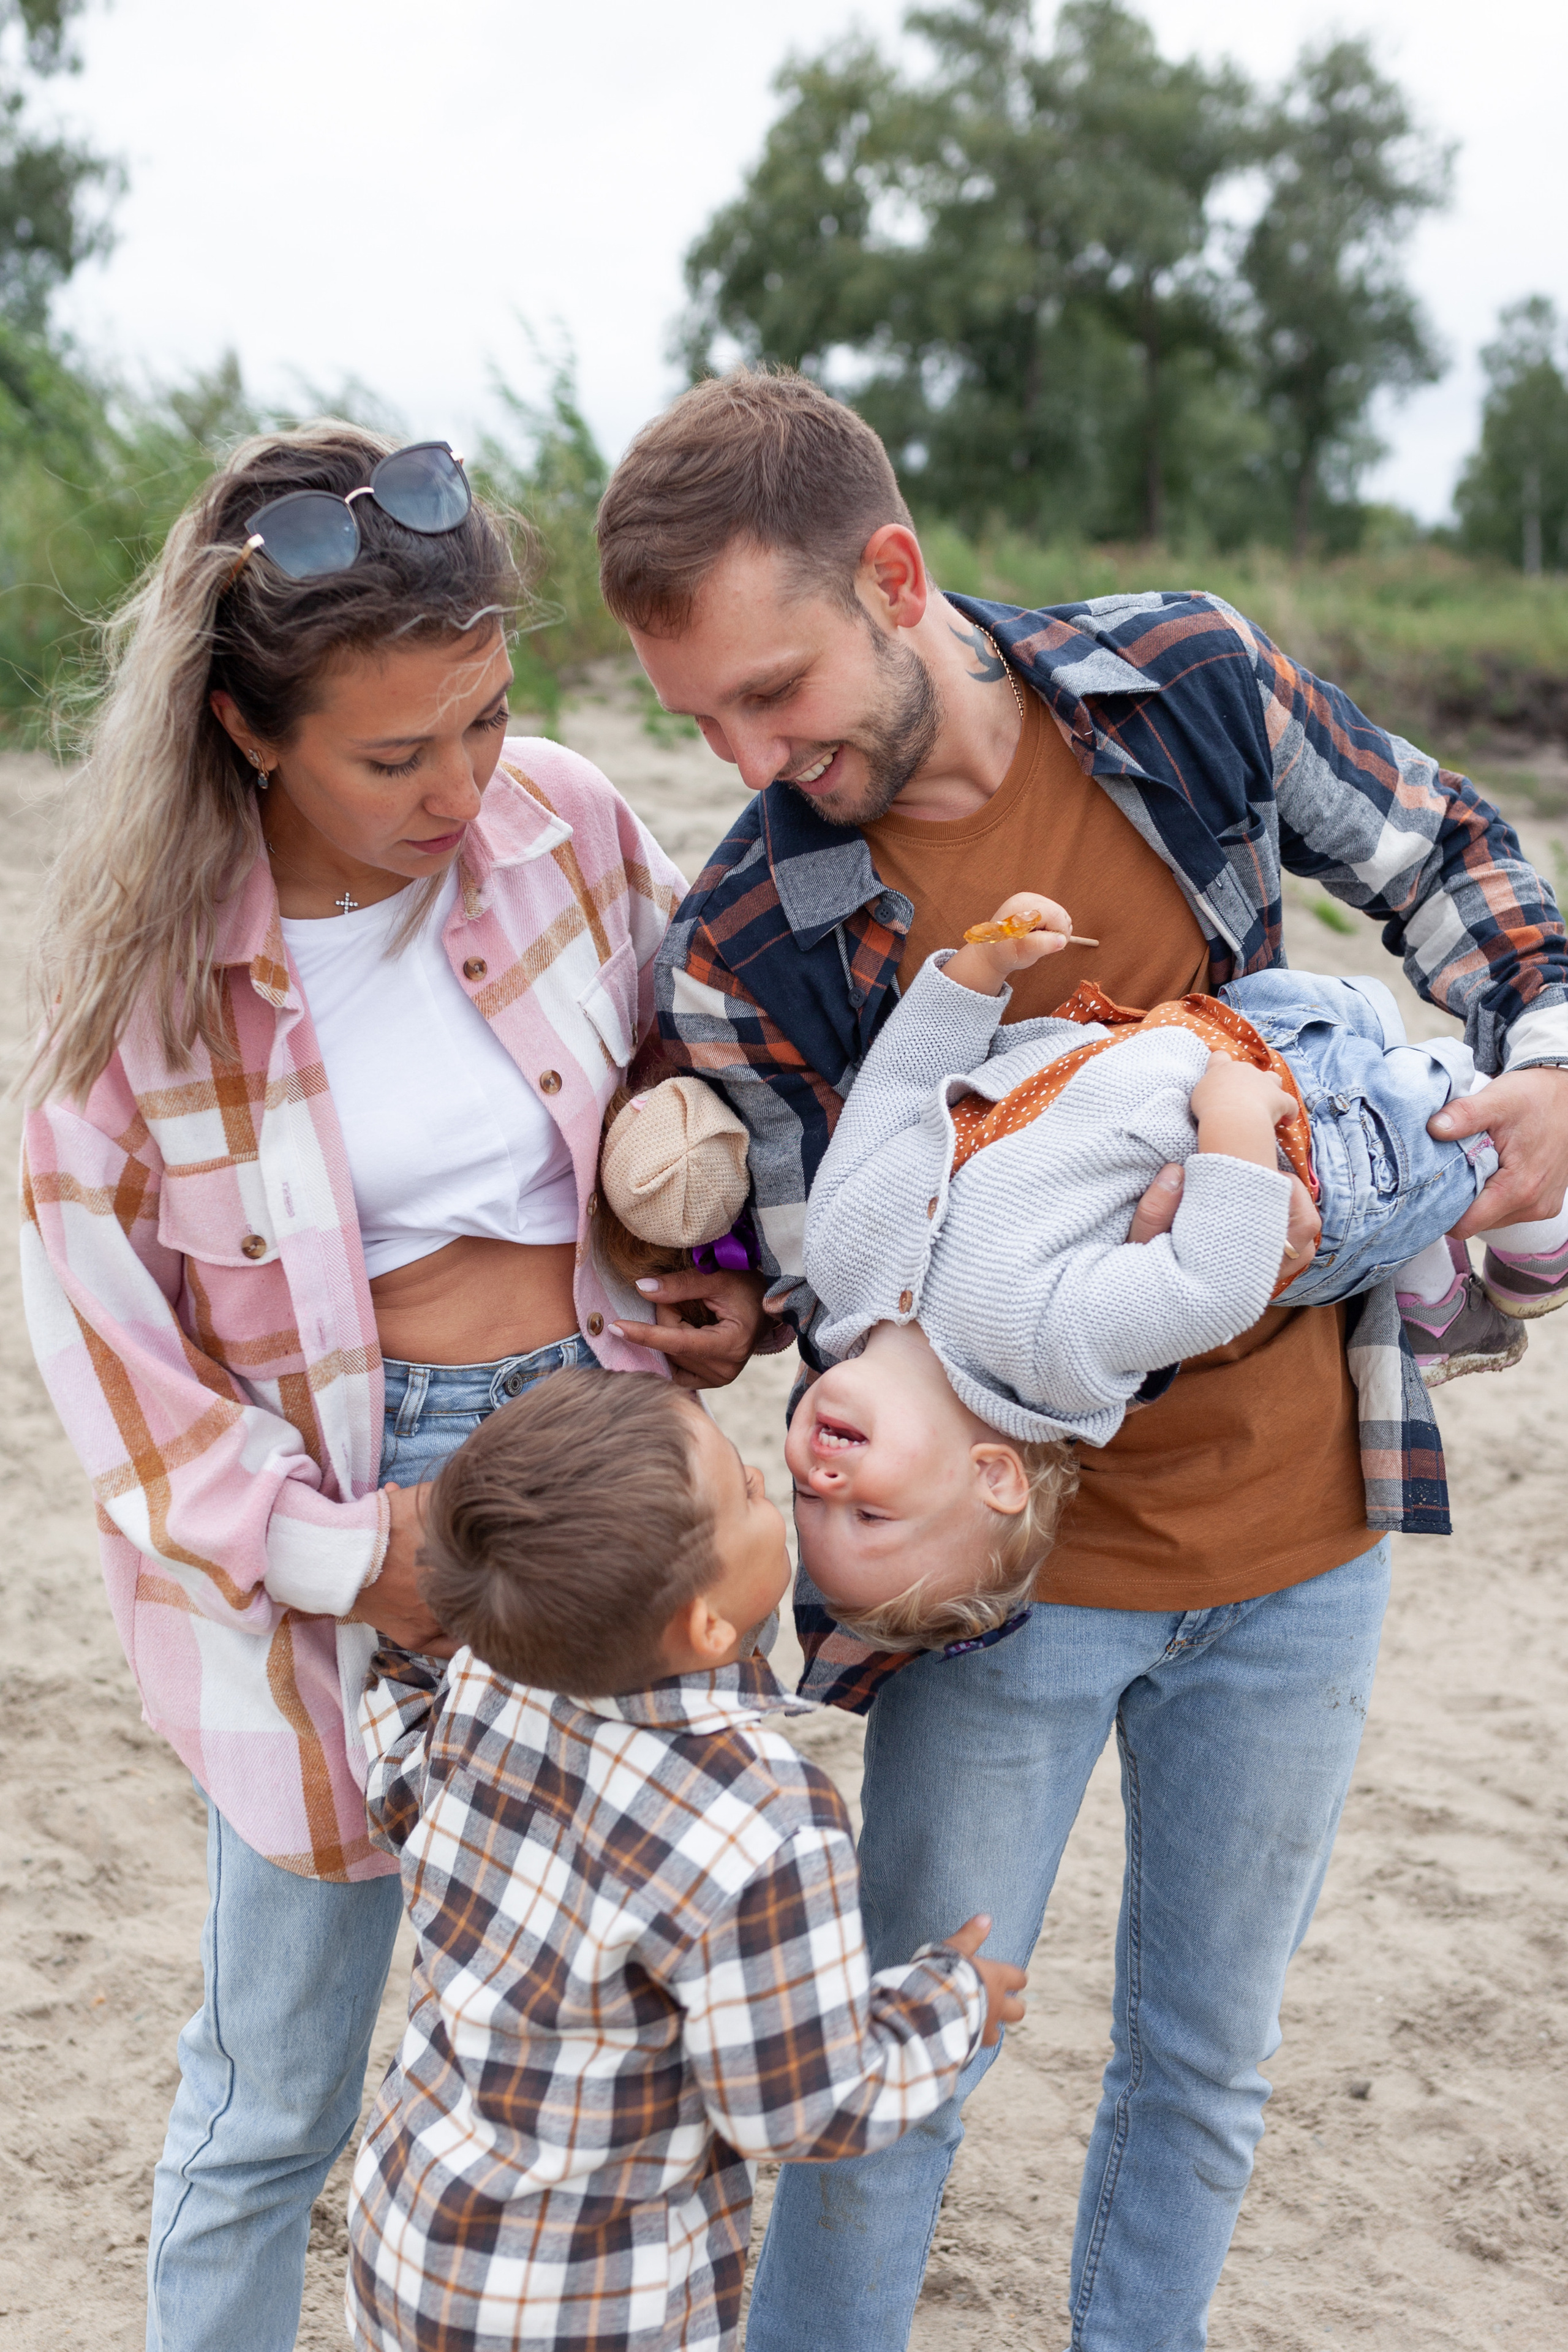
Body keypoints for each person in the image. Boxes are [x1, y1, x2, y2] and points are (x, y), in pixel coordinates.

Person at [591, 369, 1568, 2350]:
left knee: (1206, 2074)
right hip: (1002, 1612)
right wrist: (726, 1304)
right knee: (890, 2100)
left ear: (895, 573)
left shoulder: (1183, 680)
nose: (750, 753)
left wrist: (1549, 1054)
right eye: (701, 718)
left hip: (1310, 1550)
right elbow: (811, 1274)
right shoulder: (746, 932)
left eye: (773, 691)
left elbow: (1446, 852)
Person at [20, 424, 684, 2352]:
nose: (460, 787)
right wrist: (342, 1554)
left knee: (604, 2062)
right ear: (245, 726)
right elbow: (120, 1387)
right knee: (275, 2089)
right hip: (337, 1534)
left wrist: (710, 1282)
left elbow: (678, 1101)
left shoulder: (569, 824)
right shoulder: (135, 1001)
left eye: (483, 717)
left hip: (603, 1465)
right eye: (396, 754)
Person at [343, 1366, 1025, 2352]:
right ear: (710, 1624)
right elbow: (798, 2106)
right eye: (747, 1493)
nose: (766, 1477)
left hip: (415, 2240)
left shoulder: (494, 1678)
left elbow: (400, 1784)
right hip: (590, 2303)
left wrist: (402, 1670)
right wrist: (949, 2003)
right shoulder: (766, 1820)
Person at [790, 893, 1567, 1645]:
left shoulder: (835, 1255)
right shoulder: (1048, 1355)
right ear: (992, 1476)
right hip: (1305, 1138)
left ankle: (1427, 1291)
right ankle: (1535, 1253)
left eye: (806, 1501)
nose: (824, 1489)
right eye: (868, 1517)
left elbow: (894, 1088)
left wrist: (980, 968)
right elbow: (1212, 1281)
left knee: (1352, 1004)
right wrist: (1232, 1116)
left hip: (1200, 1032)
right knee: (1464, 1106)